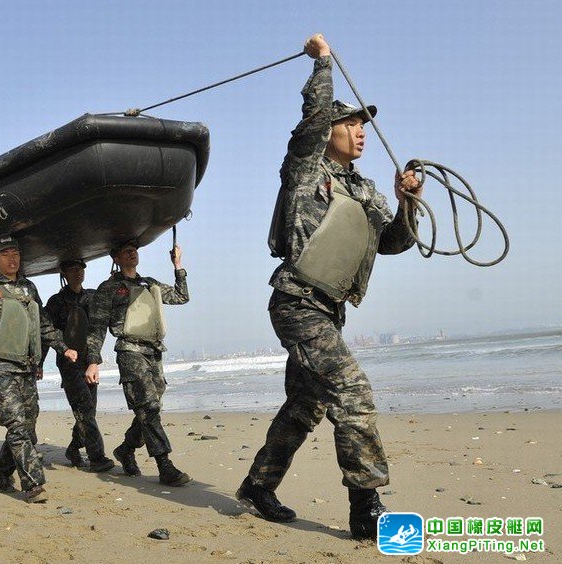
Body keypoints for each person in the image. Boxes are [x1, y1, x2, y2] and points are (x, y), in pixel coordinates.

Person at [237, 33, 423, 541]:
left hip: (328, 309)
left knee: (306, 405)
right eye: (352, 122)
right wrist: (322, 65)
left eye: (365, 124)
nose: (361, 130)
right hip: (297, 303)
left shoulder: (363, 189)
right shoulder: (305, 168)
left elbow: (392, 243)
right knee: (351, 391)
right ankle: (367, 505)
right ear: (331, 130)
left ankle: (258, 486)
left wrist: (407, 202)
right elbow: (312, 122)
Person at [0, 236, 78, 503]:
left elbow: (42, 323)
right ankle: (33, 483)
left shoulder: (29, 288)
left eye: (16, 254)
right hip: (0, 366)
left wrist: (62, 347)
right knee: (17, 425)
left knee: (28, 428)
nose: (13, 259)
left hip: (27, 366)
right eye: (6, 254)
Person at [86, 240, 191, 487]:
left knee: (150, 408)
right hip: (129, 351)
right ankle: (165, 465)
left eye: (134, 249)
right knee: (149, 406)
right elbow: (97, 327)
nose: (132, 252)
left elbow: (181, 296)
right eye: (126, 249)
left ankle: (126, 448)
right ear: (116, 257)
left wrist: (178, 266)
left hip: (154, 352)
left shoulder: (150, 284)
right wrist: (93, 361)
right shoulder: (108, 289)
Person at [43, 259, 114, 472]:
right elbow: (45, 332)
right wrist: (40, 362)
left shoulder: (92, 297)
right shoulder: (56, 302)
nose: (78, 273)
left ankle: (74, 448)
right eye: (73, 269)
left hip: (90, 360)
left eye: (81, 269)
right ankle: (97, 457)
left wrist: (94, 360)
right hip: (68, 362)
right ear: (63, 273)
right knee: (84, 407)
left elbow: (100, 324)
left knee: (88, 409)